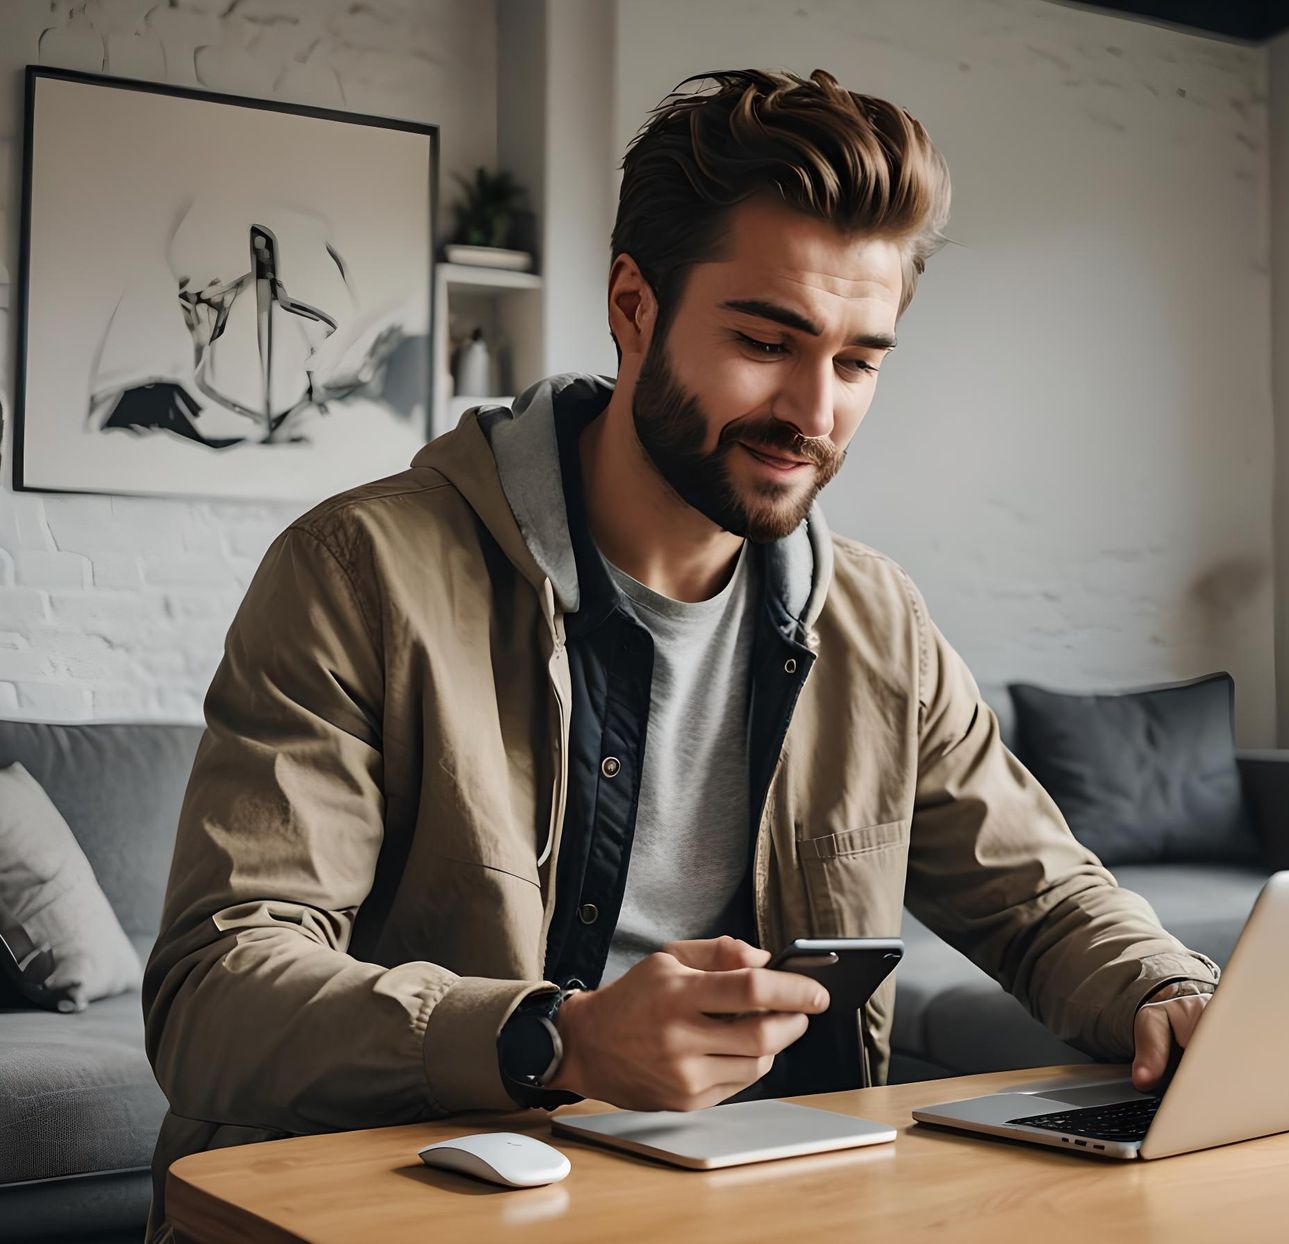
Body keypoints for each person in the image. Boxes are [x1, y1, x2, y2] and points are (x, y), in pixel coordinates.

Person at [141, 67, 1217, 1242]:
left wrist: (1171, 988)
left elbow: (1044, 899)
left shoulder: (876, 620)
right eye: (764, 340)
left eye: (858, 361)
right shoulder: (358, 571)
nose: (814, 411)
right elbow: (214, 992)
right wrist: (556, 1036)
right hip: (412, 1209)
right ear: (633, 305)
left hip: (768, 1203)